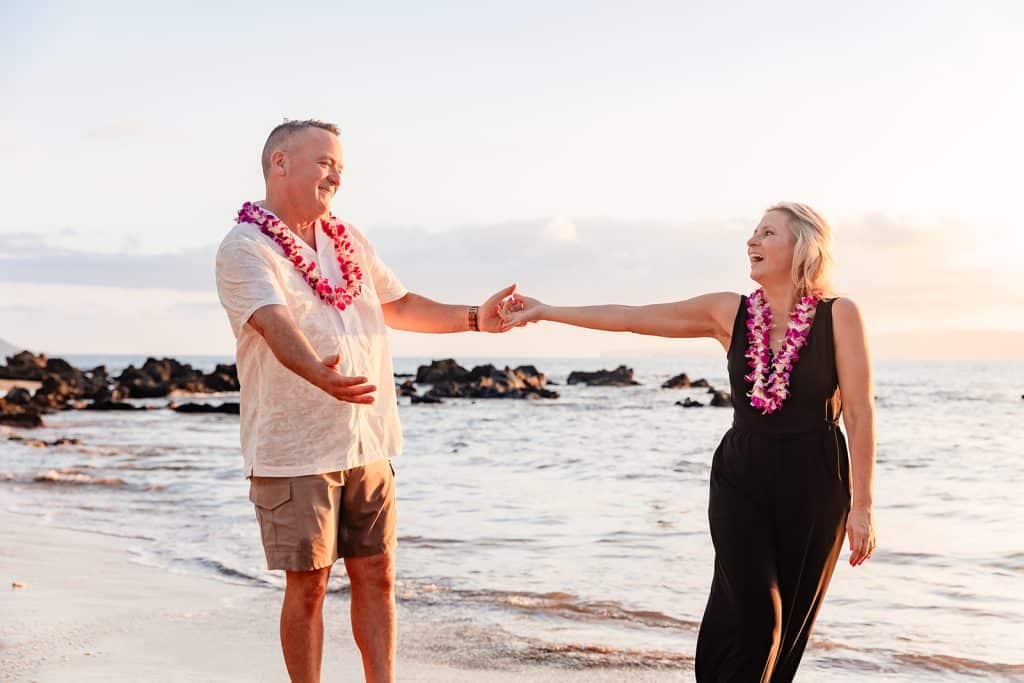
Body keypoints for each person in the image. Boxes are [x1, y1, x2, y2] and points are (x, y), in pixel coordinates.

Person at [498, 202, 877, 682]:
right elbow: (635, 316)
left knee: (787, 634)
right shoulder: (727, 311)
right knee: (759, 617)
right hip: (744, 477)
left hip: (816, 483)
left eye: (767, 233)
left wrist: (862, 506)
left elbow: (860, 413)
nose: (752, 241)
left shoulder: (839, 315)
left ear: (802, 247)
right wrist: (547, 311)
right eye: (753, 232)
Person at [215, 119, 513, 683]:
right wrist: (318, 374)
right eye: (326, 162)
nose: (336, 176)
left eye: (341, 168)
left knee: (377, 574)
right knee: (309, 584)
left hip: (369, 439)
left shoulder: (348, 240)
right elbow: (275, 326)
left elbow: (399, 306)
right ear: (281, 163)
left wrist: (476, 320)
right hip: (296, 447)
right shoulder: (245, 247)